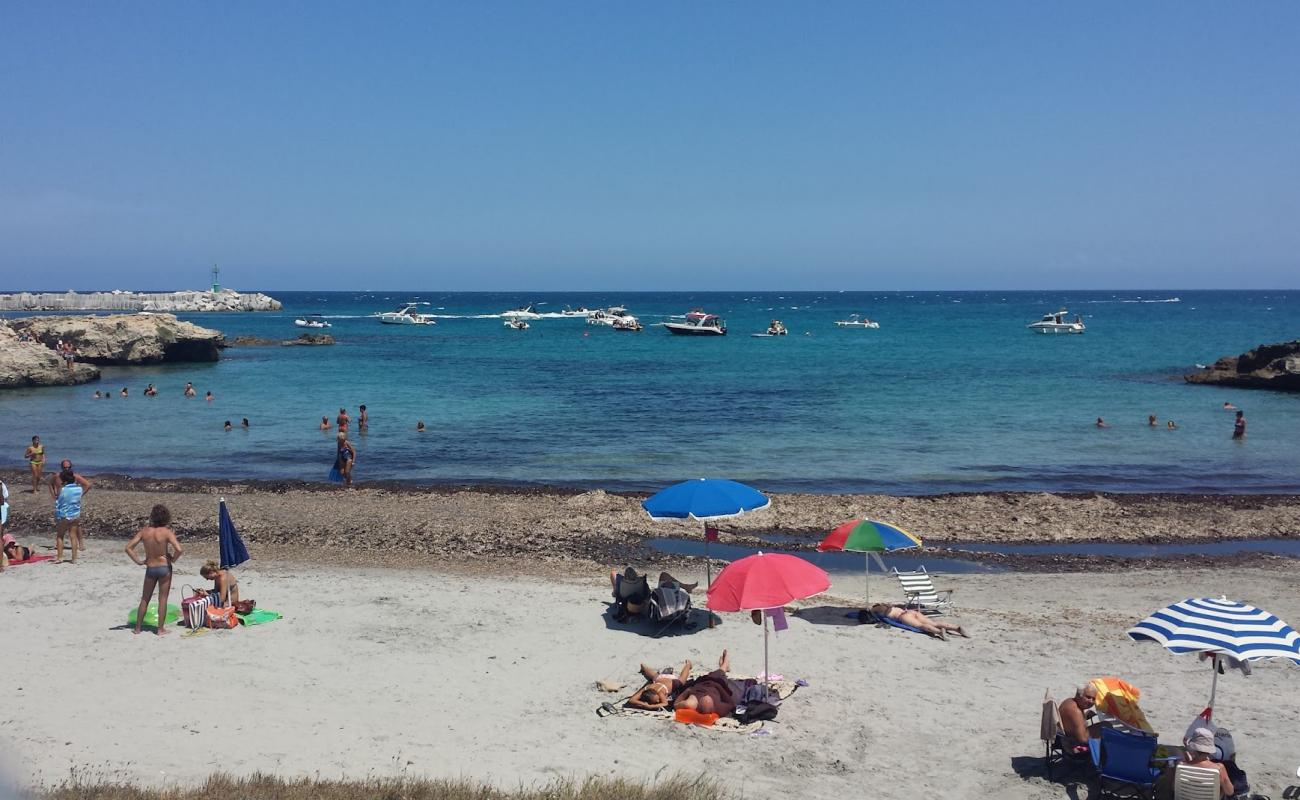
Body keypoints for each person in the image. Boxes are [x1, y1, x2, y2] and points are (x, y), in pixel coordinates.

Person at [125, 504, 182, 636]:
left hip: (151, 567)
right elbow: (179, 549)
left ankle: (137, 628)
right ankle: (160, 629)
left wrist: (139, 561)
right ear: (166, 517)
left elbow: (128, 548)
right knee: (163, 599)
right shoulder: (167, 532)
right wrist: (173, 559)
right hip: (164, 568)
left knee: (145, 598)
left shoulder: (144, 532)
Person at [1155, 728, 1234, 800]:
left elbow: (1173, 787)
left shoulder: (1181, 766)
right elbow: (1230, 791)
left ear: (1193, 748)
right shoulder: (1219, 768)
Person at [673, 650, 740, 717]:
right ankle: (725, 664)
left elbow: (675, 704)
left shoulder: (690, 704)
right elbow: (730, 703)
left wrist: (687, 691)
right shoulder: (720, 709)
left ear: (698, 705)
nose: (706, 695)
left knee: (717, 674)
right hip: (716, 684)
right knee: (719, 674)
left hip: (702, 683)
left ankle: (724, 666)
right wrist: (721, 688)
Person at [870, 603, 970, 640]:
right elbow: (889, 606)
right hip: (911, 611)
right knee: (933, 623)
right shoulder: (892, 606)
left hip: (904, 616)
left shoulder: (879, 609)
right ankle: (957, 628)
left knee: (921, 626)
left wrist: (872, 610)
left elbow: (873, 610)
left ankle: (939, 632)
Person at [627, 660, 693, 710]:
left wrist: (650, 706)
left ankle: (688, 665)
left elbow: (665, 703)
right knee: (654, 676)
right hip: (660, 678)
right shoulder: (646, 688)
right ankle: (644, 667)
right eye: (657, 701)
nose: (659, 701)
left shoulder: (659, 692)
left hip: (673, 682)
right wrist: (643, 704)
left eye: (657, 700)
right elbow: (631, 700)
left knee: (682, 681)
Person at [52, 468, 87, 563]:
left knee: (60, 536)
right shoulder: (79, 489)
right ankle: (74, 558)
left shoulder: (63, 490)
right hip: (75, 515)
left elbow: (59, 503)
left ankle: (60, 557)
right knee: (73, 536)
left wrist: (58, 515)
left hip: (65, 515)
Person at [1058, 684, 1098, 752]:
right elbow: (1083, 740)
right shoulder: (1076, 711)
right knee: (1105, 726)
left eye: (1093, 699)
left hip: (1062, 737)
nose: (1091, 701)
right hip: (1072, 742)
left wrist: (1084, 716)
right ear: (1079, 695)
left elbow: (1073, 721)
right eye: (1088, 697)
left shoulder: (1068, 701)